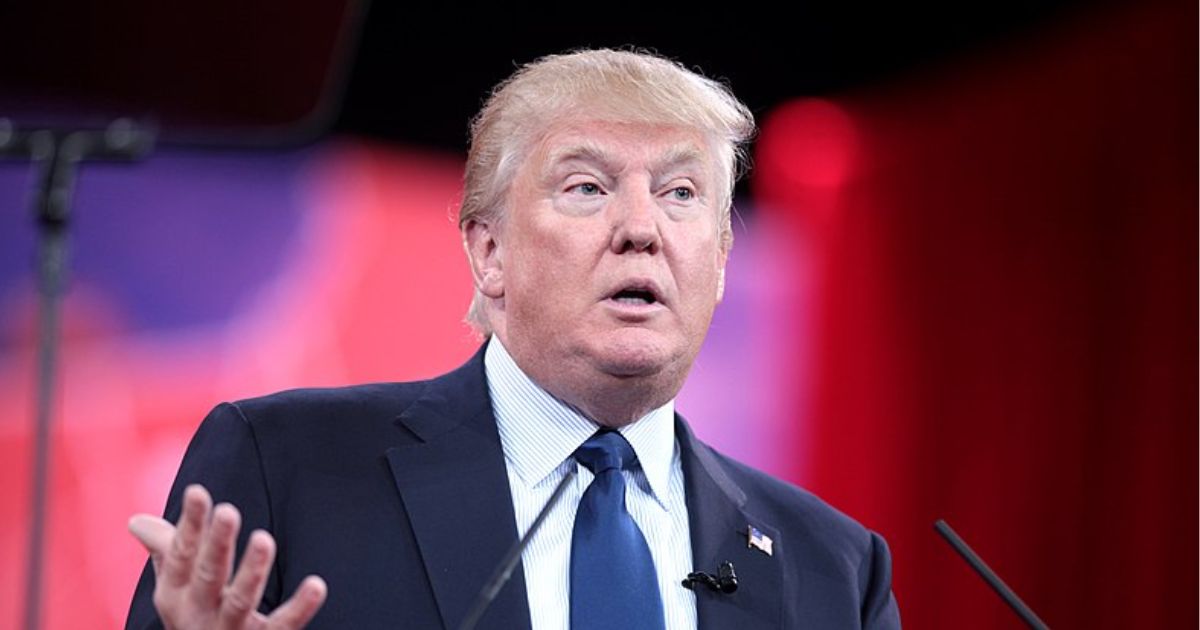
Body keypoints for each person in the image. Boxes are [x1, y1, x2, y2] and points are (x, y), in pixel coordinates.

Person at [126, 48, 901, 630]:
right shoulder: (289, 467)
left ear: (722, 260)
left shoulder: (833, 568)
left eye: (681, 193)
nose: (642, 230)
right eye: (587, 187)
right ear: (489, 253)